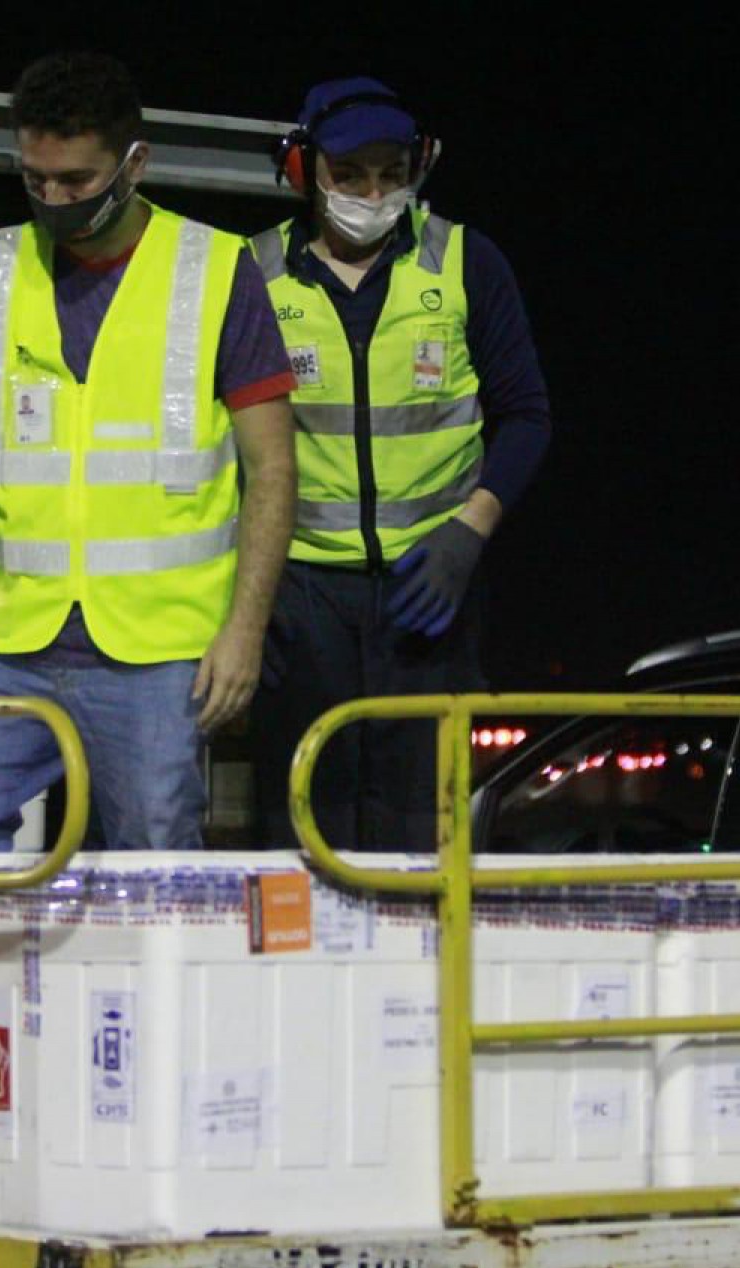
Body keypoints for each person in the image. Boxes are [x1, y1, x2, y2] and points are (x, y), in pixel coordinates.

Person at [0, 51, 298, 853]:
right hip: (5, 639)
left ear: (134, 163)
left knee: (155, 858)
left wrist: (245, 629)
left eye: (76, 180)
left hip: (159, 649)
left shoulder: (216, 271)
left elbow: (273, 468)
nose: (54, 199)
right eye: (34, 178)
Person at [248, 77, 552, 852]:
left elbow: (527, 416)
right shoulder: (252, 275)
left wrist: (468, 534)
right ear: (304, 171)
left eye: (392, 173)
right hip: (302, 599)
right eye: (350, 175)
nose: (374, 194)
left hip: (431, 592)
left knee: (422, 831)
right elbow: (220, 444)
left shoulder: (467, 262)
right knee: (303, 829)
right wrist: (248, 594)